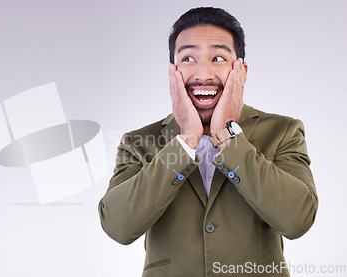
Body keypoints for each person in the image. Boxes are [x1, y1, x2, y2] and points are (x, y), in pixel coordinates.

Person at [98, 7, 318, 277]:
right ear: (173, 72)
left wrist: (228, 136)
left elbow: (298, 220)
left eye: (217, 58)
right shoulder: (137, 142)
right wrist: (186, 139)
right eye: (188, 58)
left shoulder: (283, 131)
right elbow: (118, 226)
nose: (203, 73)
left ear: (241, 72)